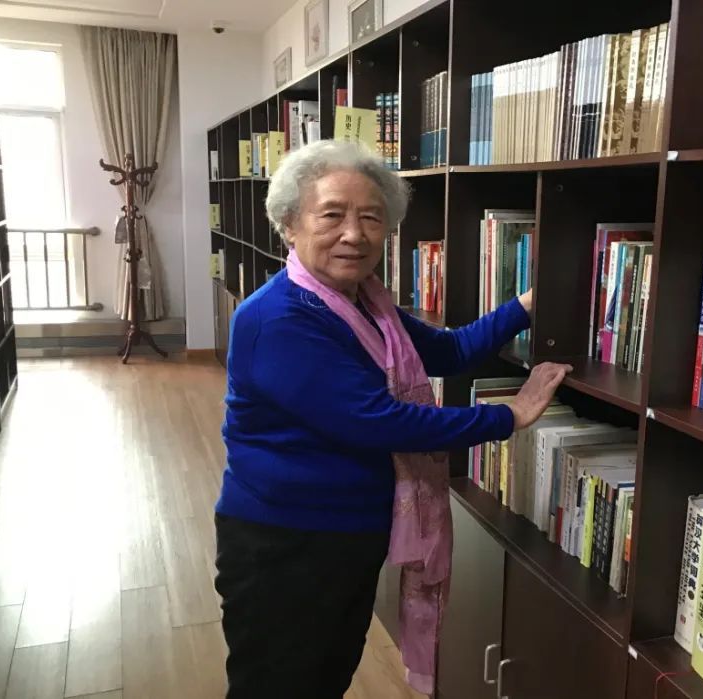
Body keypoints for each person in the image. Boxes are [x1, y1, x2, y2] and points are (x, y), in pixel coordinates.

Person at [214, 139, 571, 699]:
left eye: (371, 217)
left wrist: (525, 305)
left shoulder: (366, 303)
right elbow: (378, 421)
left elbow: (450, 352)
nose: (353, 234)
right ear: (289, 225)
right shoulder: (277, 319)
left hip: (349, 532)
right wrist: (506, 416)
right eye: (332, 215)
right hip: (285, 543)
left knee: (325, 676)